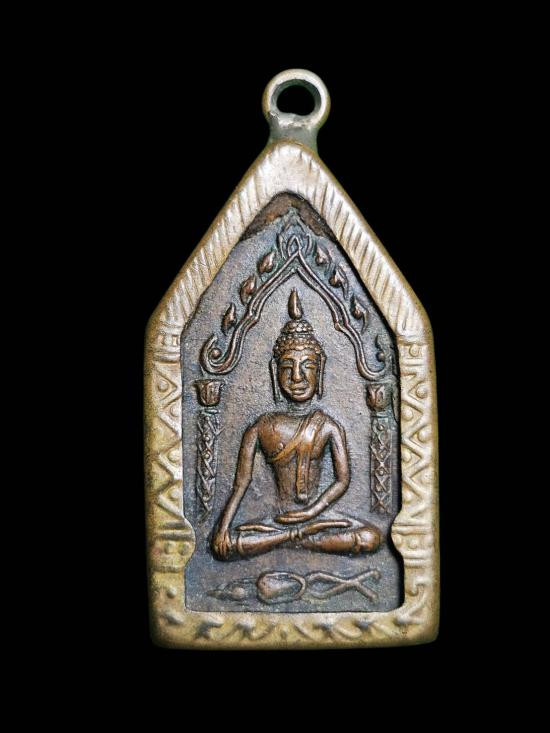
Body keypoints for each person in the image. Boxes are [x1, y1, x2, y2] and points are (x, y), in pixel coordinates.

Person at [212, 289, 382, 560]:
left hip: (318, 518)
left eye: (307, 367)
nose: (297, 377)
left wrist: (312, 512)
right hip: (275, 521)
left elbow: (342, 481)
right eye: (287, 367)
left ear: (320, 369)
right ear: (274, 371)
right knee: (225, 545)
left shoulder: (328, 426)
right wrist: (222, 528)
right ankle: (294, 538)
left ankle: (288, 540)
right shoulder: (260, 427)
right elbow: (241, 484)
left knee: (371, 537)